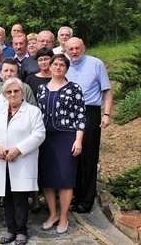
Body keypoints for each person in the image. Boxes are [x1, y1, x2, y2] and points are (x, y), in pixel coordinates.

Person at [0, 78, 45, 245]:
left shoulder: (33, 111)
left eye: (16, 91)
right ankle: (11, 230)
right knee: (7, 198)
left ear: (22, 92)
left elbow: (39, 134)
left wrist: (18, 149)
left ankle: (21, 231)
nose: (12, 94)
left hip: (21, 161)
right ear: (5, 94)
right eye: (9, 92)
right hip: (2, 161)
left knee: (20, 198)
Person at [37, 54, 86, 234]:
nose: (57, 67)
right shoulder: (42, 88)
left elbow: (81, 115)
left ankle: (64, 216)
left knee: (65, 179)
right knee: (47, 179)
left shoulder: (74, 88)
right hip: (45, 139)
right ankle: (53, 214)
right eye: (55, 64)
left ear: (66, 68)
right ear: (49, 67)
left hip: (66, 138)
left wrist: (78, 139)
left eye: (61, 65)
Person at [64, 37, 113, 213]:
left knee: (89, 156)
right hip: (68, 113)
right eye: (71, 49)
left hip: (90, 111)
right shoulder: (63, 65)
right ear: (65, 50)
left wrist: (106, 114)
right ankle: (74, 194)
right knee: (71, 154)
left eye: (77, 48)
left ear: (83, 48)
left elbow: (106, 91)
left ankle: (86, 200)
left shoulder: (96, 64)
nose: (74, 51)